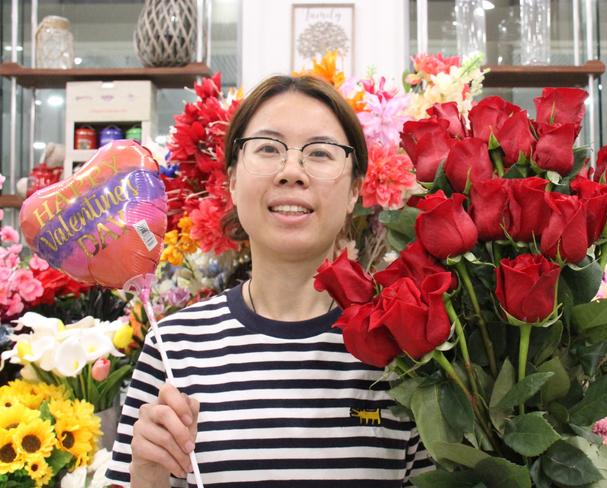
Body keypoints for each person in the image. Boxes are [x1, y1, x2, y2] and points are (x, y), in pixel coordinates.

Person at [105, 75, 433, 488]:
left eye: (320, 152)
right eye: (267, 149)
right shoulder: (175, 348)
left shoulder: (404, 349)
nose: (291, 171)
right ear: (232, 181)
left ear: (354, 189)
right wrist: (147, 477)